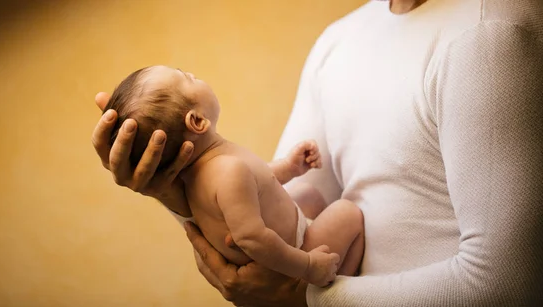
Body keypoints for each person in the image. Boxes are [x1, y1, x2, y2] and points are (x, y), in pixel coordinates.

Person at [91, 0, 543, 305]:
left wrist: (307, 296)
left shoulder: (488, 30)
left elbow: (508, 283)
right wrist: (166, 190)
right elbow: (271, 212)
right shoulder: (338, 41)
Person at [101, 65, 365, 287]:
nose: (193, 73)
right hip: (294, 259)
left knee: (307, 194)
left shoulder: (199, 173)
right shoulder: (228, 171)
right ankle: (334, 283)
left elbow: (257, 185)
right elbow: (252, 239)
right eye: (187, 77)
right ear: (197, 121)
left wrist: (289, 167)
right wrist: (308, 266)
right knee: (348, 212)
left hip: (289, 239)